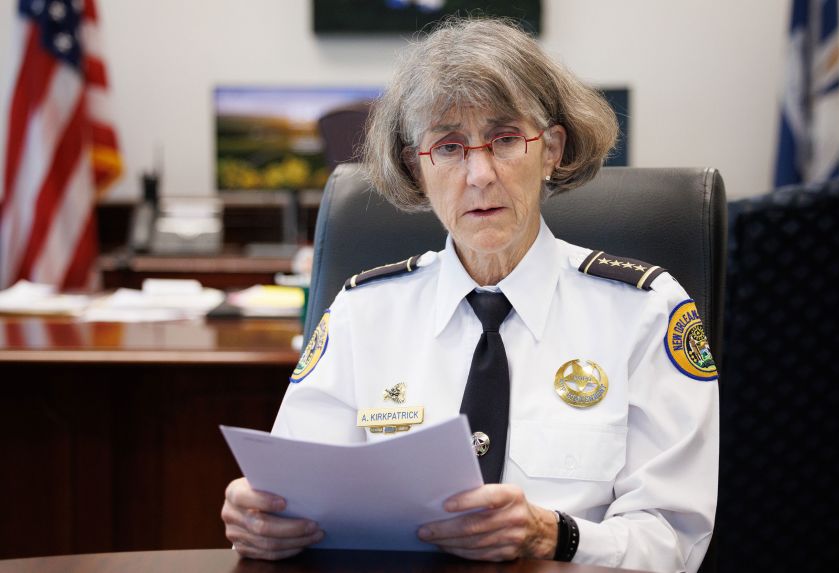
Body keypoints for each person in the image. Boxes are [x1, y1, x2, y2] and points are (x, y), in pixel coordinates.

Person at [222, 17, 718, 572]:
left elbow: (675, 540)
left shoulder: (647, 311)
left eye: (505, 140)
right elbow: (297, 494)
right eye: (449, 147)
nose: (479, 174)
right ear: (416, 167)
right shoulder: (364, 313)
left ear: (551, 150)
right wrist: (263, 517)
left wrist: (555, 536)